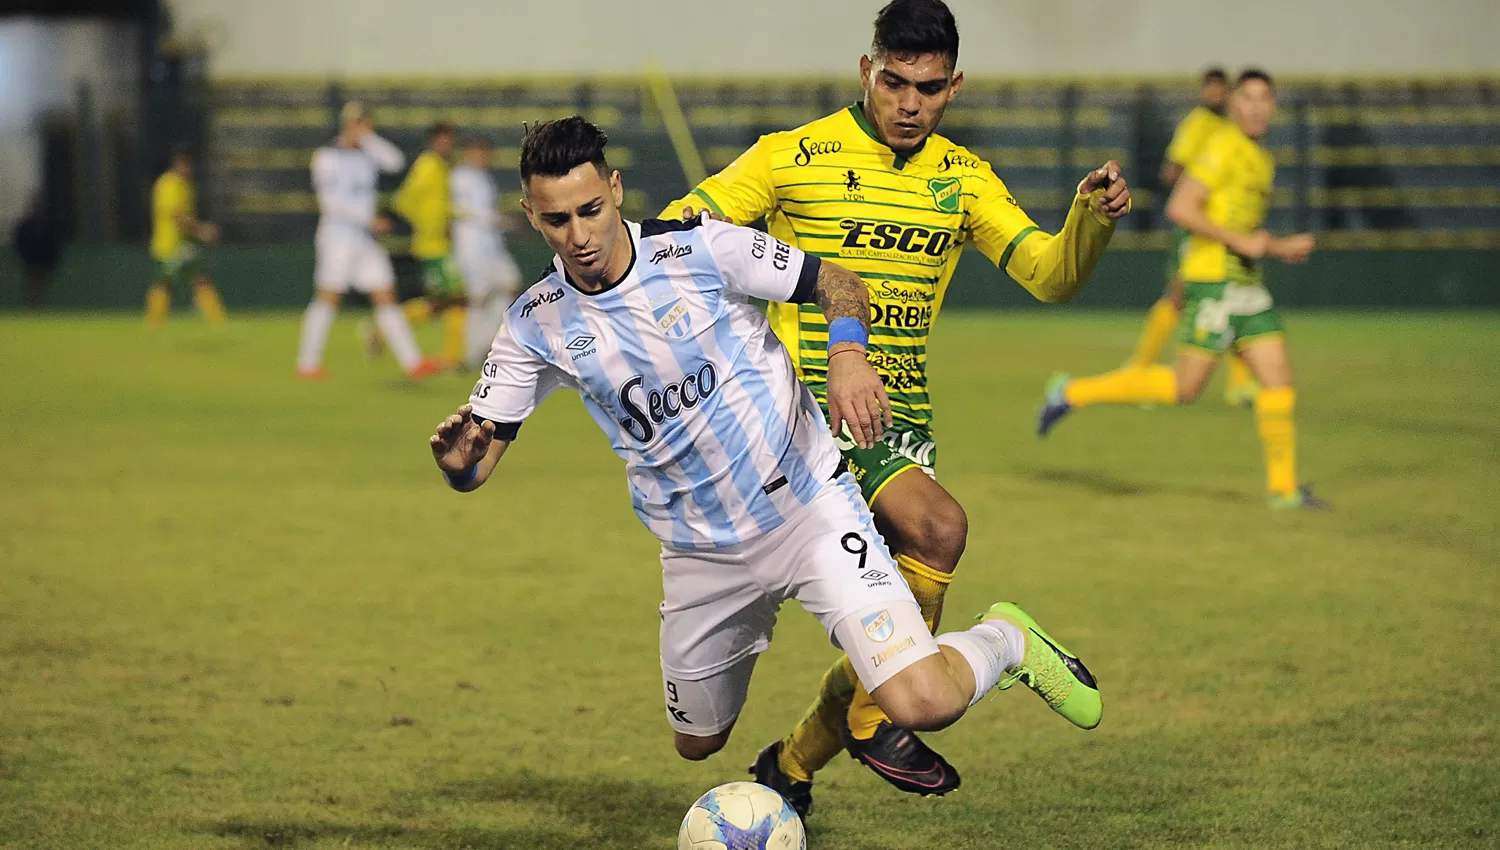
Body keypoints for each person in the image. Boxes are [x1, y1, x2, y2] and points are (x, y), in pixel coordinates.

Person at [430, 116, 1101, 786]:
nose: (578, 236)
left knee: (922, 702)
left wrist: (845, 355)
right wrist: (462, 466)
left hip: (810, 509)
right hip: (700, 553)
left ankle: (1005, 640)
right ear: (529, 214)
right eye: (556, 221)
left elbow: (839, 283)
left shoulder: (697, 250)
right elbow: (480, 459)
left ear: (615, 188)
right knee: (697, 742)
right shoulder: (534, 322)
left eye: (590, 210)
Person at [661, 0, 1125, 811]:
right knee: (937, 533)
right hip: (793, 415)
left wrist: (1087, 218)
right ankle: (952, 672)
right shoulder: (791, 155)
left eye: (931, 88)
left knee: (896, 648)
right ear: (867, 71)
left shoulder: (965, 179)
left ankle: (792, 768)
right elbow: (679, 230)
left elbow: (1051, 276)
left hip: (900, 420)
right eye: (897, 82)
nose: (911, 104)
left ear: (954, 85)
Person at [1038, 70, 1328, 511]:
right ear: (1233, 104)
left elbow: (1242, 228)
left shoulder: (1260, 157)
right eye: (1247, 97)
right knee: (1183, 387)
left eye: (1264, 99)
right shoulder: (1221, 147)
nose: (1256, 107)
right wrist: (1239, 241)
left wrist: (1278, 246)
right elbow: (1181, 207)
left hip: (1246, 284)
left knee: (1278, 380)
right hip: (1213, 282)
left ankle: (1283, 489)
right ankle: (1071, 393)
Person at [1128, 67, 1258, 407]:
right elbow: (1171, 171)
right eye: (1211, 89)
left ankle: (1239, 383)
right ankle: (1139, 369)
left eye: (1221, 90)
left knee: (1238, 296)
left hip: (1228, 229)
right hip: (1198, 227)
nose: (1216, 96)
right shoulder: (1197, 125)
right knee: (1179, 297)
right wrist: (1200, 184)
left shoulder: (1233, 129)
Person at [297, 102, 443, 381]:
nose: (363, 129)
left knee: (385, 295)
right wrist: (369, 219)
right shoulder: (326, 157)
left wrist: (368, 138)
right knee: (328, 297)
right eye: (358, 124)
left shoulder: (366, 153)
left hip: (364, 239)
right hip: (337, 236)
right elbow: (330, 204)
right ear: (346, 124)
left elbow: (395, 161)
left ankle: (412, 362)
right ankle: (307, 363)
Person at [389, 122, 466, 365]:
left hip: (442, 245)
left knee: (442, 303)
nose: (447, 144)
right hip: (431, 246)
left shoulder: (443, 167)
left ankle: (384, 328)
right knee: (456, 298)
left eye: (450, 140)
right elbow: (403, 200)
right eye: (443, 140)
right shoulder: (426, 166)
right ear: (433, 141)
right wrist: (427, 225)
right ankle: (452, 357)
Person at [450, 136, 523, 365]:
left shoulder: (485, 179)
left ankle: (487, 342)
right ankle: (473, 352)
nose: (483, 157)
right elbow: (462, 210)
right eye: (479, 152)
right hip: (472, 246)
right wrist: (498, 220)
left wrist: (499, 222)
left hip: (492, 245)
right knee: (478, 298)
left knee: (509, 286)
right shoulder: (459, 177)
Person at [146, 151, 228, 329]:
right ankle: (218, 321)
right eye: (185, 165)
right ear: (177, 164)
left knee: (189, 280)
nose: (188, 169)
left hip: (180, 246)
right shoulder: (169, 184)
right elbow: (176, 216)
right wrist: (201, 231)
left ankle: (217, 321)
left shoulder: (185, 185)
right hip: (169, 246)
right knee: (170, 283)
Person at [12, 193, 61, 309]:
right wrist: (24, 256)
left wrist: (51, 262)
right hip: (29, 263)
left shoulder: (46, 225)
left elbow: (53, 244)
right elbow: (19, 242)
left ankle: (38, 308)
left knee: (39, 287)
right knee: (31, 286)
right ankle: (30, 309)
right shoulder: (25, 226)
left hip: (43, 263)